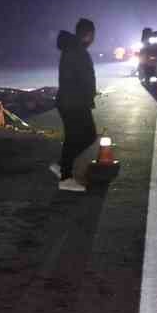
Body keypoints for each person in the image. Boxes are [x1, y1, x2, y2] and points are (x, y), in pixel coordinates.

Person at [54, 18, 97, 192]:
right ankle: (65, 177)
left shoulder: (71, 48)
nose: (93, 38)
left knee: (73, 138)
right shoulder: (78, 51)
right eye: (93, 34)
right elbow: (83, 78)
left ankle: (62, 167)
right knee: (88, 136)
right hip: (75, 102)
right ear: (88, 34)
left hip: (69, 101)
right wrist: (89, 94)